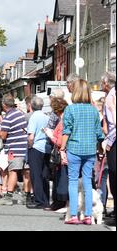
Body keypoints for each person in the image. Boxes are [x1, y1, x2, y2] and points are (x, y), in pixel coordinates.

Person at [61, 80, 104, 225]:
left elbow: (66, 131)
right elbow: (99, 133)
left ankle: (73, 215)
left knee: (73, 181)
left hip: (74, 148)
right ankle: (88, 215)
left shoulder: (70, 110)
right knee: (87, 181)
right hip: (90, 150)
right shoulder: (93, 110)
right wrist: (99, 149)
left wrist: (62, 148)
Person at [0, 94, 28, 206]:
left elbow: (3, 135)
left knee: (13, 171)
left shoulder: (8, 117)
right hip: (24, 145)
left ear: (4, 105)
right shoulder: (19, 113)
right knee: (25, 171)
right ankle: (27, 195)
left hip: (14, 147)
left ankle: (9, 196)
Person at [44, 97, 69, 212]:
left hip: (62, 153)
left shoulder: (63, 121)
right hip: (63, 153)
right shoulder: (64, 119)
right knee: (59, 178)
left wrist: (50, 135)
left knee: (61, 178)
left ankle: (62, 203)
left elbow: (59, 141)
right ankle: (60, 202)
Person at [27, 96, 52, 209]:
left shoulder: (33, 117)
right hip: (46, 147)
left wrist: (30, 145)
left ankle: (39, 200)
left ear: (31, 106)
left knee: (35, 175)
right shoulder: (47, 117)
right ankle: (46, 199)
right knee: (44, 175)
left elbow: (31, 136)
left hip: (36, 147)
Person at [101, 72, 116, 225]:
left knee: (114, 174)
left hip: (114, 139)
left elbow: (111, 123)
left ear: (106, 83)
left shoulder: (111, 97)